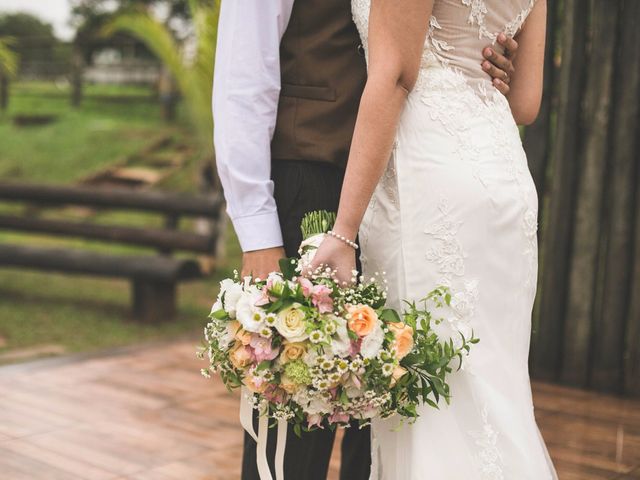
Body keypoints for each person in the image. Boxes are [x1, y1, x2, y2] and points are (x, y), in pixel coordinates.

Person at [213, 1, 521, 478]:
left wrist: (486, 66)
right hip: (312, 180)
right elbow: (242, 74)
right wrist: (258, 232)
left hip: (411, 196)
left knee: (381, 427)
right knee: (297, 422)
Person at [310, 0, 558, 478]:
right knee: (491, 392)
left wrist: (343, 231)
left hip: (430, 180)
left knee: (433, 407)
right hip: (502, 183)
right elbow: (525, 102)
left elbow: (394, 77)